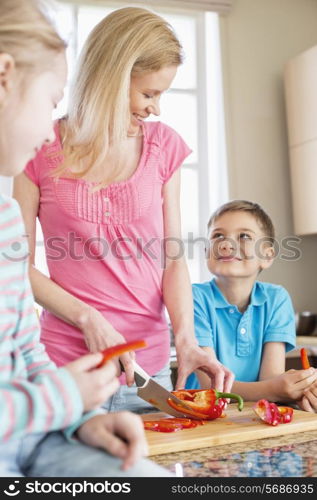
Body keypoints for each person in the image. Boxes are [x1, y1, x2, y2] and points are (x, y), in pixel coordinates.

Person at [13, 6, 234, 414]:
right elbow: (15, 266)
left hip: (147, 373)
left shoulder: (164, 147)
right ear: (111, 79)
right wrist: (88, 319)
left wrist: (185, 339)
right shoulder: (38, 148)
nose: (156, 108)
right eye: (148, 94)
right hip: (68, 373)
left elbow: (172, 262)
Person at [0, 0, 173, 477]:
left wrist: (79, 419)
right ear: (4, 78)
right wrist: (64, 398)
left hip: (45, 430)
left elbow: (26, 350)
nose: (49, 129)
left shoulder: (4, 221)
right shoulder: (42, 160)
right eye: (52, 100)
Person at [186, 200, 317, 410]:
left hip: (254, 419)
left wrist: (301, 388)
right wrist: (277, 389)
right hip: (202, 419)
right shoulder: (193, 298)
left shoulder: (277, 299)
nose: (226, 244)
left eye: (244, 236)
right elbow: (212, 388)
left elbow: (271, 378)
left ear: (267, 256)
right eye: (218, 235)